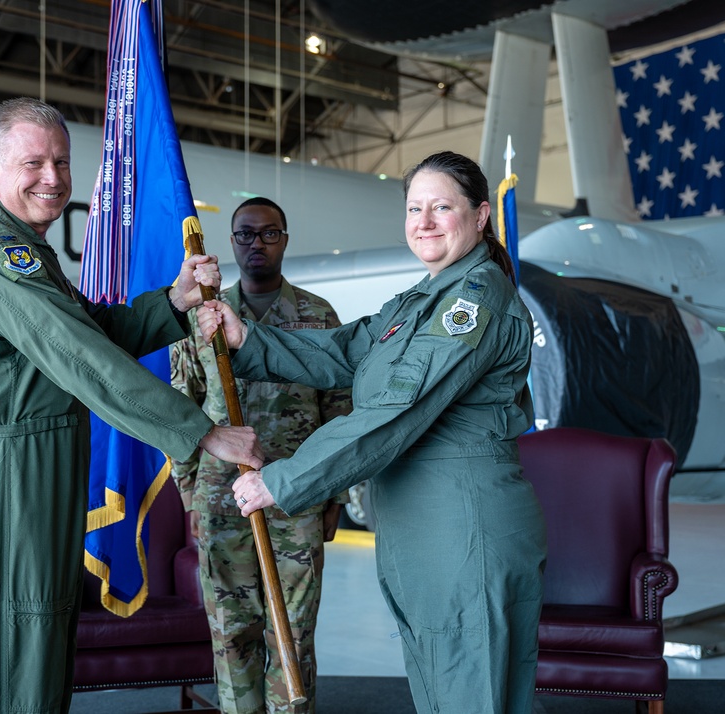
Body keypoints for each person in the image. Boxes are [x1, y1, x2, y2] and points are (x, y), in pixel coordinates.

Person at [0, 97, 263, 714]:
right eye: (33, 163)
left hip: (33, 480)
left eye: (61, 161)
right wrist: (200, 432)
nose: (52, 178)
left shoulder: (26, 252)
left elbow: (90, 330)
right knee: (18, 676)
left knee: (41, 658)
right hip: (8, 487)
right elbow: (80, 357)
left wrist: (173, 301)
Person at [202, 151, 548, 714]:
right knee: (443, 689)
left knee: (470, 693)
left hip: (464, 528)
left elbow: (394, 410)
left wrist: (284, 480)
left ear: (481, 216)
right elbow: (347, 349)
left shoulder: (473, 300)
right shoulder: (423, 299)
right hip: (424, 526)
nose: (425, 221)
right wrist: (250, 341)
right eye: (415, 207)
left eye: (442, 206)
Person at [170, 197, 352, 714]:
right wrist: (191, 499)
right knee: (232, 632)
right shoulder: (201, 316)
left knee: (292, 632)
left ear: (285, 240)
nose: (256, 244)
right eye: (246, 235)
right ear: (231, 243)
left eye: (269, 234)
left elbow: (340, 412)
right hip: (220, 495)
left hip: (297, 495)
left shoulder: (318, 316)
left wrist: (335, 495)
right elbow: (179, 410)